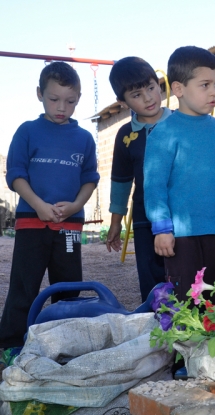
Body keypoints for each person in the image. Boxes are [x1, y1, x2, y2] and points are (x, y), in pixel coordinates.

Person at [1, 62, 99, 352]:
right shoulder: (28, 131)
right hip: (32, 222)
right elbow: (15, 175)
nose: (61, 107)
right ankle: (9, 345)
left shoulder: (84, 138)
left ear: (79, 98)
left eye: (70, 101)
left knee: (69, 286)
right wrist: (39, 205)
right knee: (24, 284)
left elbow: (89, 178)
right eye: (54, 99)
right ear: (39, 94)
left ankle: (65, 344)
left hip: (69, 228)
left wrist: (76, 206)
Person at [144, 46, 215, 302]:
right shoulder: (163, 133)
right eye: (205, 85)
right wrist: (162, 228)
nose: (213, 92)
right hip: (180, 237)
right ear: (178, 89)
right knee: (186, 302)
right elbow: (154, 186)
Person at [106, 56, 171, 302]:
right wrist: (115, 223)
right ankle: (156, 328)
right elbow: (121, 181)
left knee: (186, 275)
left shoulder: (182, 123)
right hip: (144, 219)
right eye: (136, 94)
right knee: (151, 278)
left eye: (151, 88)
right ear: (123, 102)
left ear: (159, 84)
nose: (148, 98)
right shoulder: (125, 135)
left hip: (183, 215)